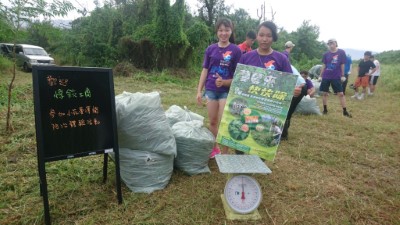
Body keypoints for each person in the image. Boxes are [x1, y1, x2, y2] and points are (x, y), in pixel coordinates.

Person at [238, 21, 306, 141]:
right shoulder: (246, 57)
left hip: (269, 110)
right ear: (257, 37)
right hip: (250, 107)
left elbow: (287, 84)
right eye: (261, 35)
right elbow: (238, 83)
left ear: (274, 38)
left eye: (269, 36)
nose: (264, 39)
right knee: (245, 138)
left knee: (261, 140)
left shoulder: (282, 59)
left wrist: (293, 91)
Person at [196, 18, 242, 158]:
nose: (223, 33)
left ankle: (226, 153)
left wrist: (225, 82)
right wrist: (199, 90)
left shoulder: (236, 50)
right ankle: (215, 148)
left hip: (226, 92)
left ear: (231, 31)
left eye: (227, 30)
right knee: (213, 121)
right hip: (210, 90)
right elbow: (205, 70)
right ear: (217, 32)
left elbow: (239, 75)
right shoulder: (210, 49)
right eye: (221, 30)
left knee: (224, 122)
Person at [319, 38, 352, 117]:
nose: (331, 45)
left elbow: (342, 64)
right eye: (329, 43)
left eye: (332, 43)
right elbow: (324, 65)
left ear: (336, 43)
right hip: (326, 76)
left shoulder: (341, 52)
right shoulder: (326, 54)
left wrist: (343, 75)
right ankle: (325, 110)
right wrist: (320, 75)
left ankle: (344, 111)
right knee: (324, 93)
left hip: (336, 76)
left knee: (341, 94)